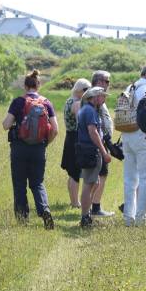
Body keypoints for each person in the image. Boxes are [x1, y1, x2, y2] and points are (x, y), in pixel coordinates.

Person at [2, 69, 59, 229]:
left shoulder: (18, 102)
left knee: (19, 183)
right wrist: (45, 143)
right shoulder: (46, 103)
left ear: (25, 86)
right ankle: (44, 210)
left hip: (19, 148)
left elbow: (6, 125)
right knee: (37, 183)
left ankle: (22, 219)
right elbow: (55, 129)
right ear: (38, 85)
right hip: (39, 148)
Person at [121, 64, 146, 226]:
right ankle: (140, 218)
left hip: (126, 134)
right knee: (145, 177)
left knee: (129, 179)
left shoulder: (130, 86)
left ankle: (128, 218)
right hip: (141, 135)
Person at [77, 86, 112, 227]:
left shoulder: (86, 109)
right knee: (88, 184)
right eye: (102, 96)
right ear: (95, 97)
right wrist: (104, 152)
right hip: (91, 151)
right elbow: (93, 132)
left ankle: (88, 214)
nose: (104, 98)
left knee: (95, 182)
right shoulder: (90, 111)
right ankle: (85, 217)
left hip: (86, 150)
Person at [60, 78, 91, 208]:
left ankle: (74, 201)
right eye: (86, 90)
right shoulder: (76, 102)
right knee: (75, 172)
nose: (89, 92)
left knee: (73, 172)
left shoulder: (69, 100)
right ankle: (75, 202)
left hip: (71, 137)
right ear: (80, 90)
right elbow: (81, 120)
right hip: (75, 138)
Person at [90, 70, 115, 217]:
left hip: (101, 141)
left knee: (100, 175)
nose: (108, 84)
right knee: (99, 175)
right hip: (98, 143)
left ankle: (93, 207)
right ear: (99, 82)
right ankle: (94, 208)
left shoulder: (98, 97)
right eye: (107, 81)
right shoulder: (95, 98)